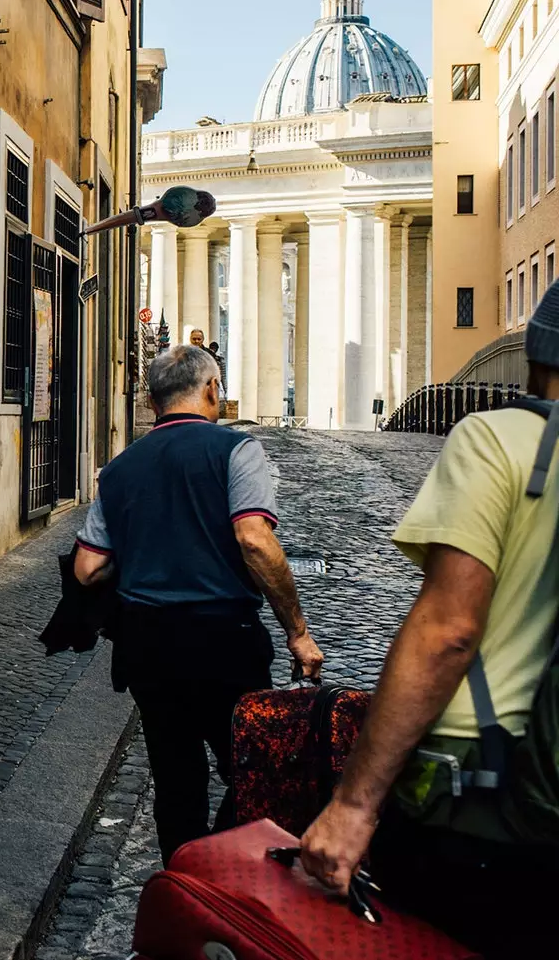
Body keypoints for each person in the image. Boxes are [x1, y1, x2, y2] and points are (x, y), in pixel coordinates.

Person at [300, 285, 559, 959]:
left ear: (534, 360)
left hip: (483, 800)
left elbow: (449, 627)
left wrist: (355, 803)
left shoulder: (501, 441)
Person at [73, 345, 323, 863]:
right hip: (222, 640)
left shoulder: (119, 469)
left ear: (150, 398)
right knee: (255, 769)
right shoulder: (235, 451)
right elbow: (254, 540)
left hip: (147, 646)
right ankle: (230, 874)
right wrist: (297, 632)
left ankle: (187, 882)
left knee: (175, 776)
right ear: (211, 390)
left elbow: (88, 568)